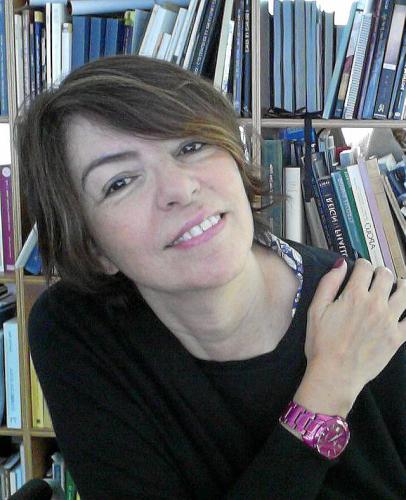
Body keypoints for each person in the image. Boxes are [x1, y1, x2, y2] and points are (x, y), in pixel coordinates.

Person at [16, 55, 406, 499]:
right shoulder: (77, 329)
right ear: (92, 247)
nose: (180, 189)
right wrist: (327, 391)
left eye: (191, 146)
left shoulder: (373, 316)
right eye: (120, 182)